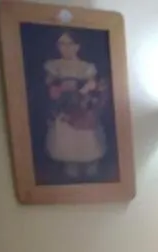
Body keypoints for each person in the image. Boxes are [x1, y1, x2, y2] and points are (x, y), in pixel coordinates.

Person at [44, 31, 109, 179]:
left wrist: (85, 91)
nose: (65, 48)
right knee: (66, 141)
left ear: (77, 46)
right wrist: (57, 90)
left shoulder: (86, 67)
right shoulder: (54, 65)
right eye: (61, 44)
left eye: (69, 44)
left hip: (82, 108)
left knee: (86, 140)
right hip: (64, 108)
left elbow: (93, 85)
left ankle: (92, 172)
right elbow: (50, 85)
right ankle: (70, 172)